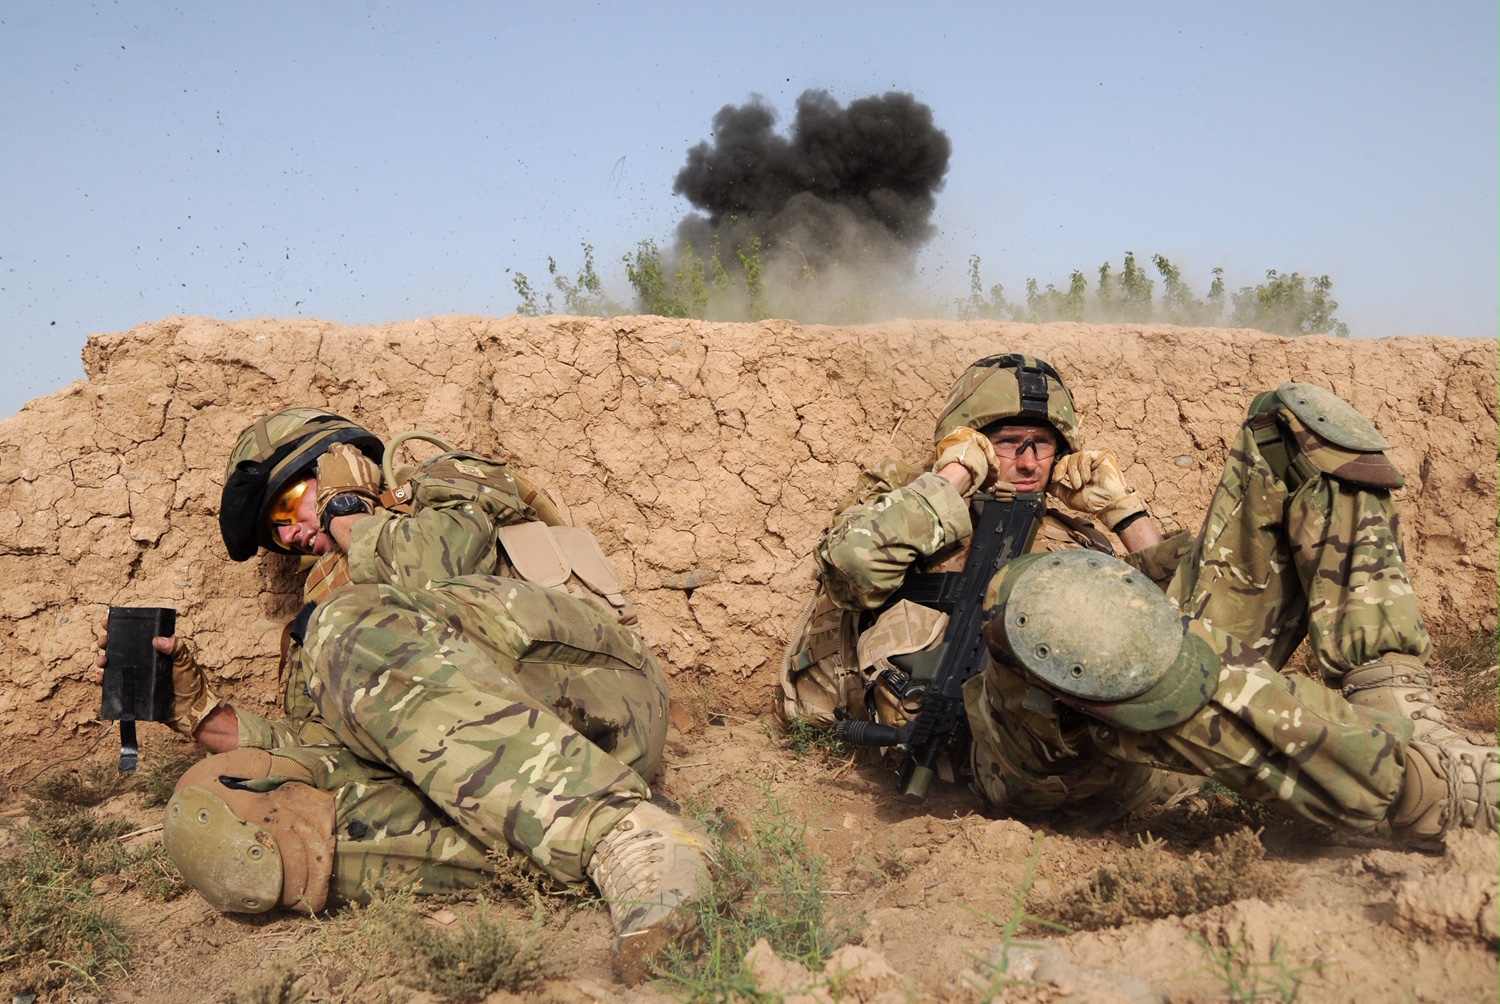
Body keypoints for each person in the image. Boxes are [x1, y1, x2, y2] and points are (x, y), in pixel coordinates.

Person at [96, 407, 710, 983]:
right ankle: (575, 850)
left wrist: (346, 512)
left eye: (290, 505)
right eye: (279, 533)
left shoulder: (437, 481)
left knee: (348, 625)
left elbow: (427, 568)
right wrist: (197, 711)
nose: (293, 533)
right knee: (222, 811)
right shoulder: (326, 617)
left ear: (335, 462)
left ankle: (625, 835)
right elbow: (324, 747)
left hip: (590, 687)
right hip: (508, 771)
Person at [794, 353, 1498, 841]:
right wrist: (953, 475)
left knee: (1293, 423)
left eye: (1043, 443)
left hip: (1143, 750)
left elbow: (1199, 598)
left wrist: (1126, 517)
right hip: (1009, 762)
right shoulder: (907, 515)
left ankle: (1399, 705)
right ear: (965, 443)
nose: (1030, 458)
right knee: (1045, 599)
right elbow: (853, 567)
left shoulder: (1073, 527)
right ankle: (1420, 788)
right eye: (1007, 442)